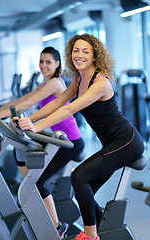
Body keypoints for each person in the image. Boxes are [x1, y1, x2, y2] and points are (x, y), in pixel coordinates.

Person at [15, 34, 144, 240]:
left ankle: (91, 236)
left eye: (85, 51)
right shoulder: (78, 80)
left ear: (95, 56)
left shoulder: (101, 83)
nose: (79, 55)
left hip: (127, 142)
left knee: (79, 176)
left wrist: (35, 127)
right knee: (84, 190)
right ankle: (103, 226)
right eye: (76, 50)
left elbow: (69, 110)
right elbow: (58, 104)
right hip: (111, 144)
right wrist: (27, 120)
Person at [0, 46, 85, 239]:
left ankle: (58, 226)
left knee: (37, 181)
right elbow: (21, 100)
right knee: (24, 161)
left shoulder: (55, 84)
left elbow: (25, 105)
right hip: (56, 139)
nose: (43, 66)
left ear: (57, 64)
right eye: (41, 62)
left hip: (70, 142)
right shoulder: (46, 82)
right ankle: (34, 211)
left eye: (48, 62)